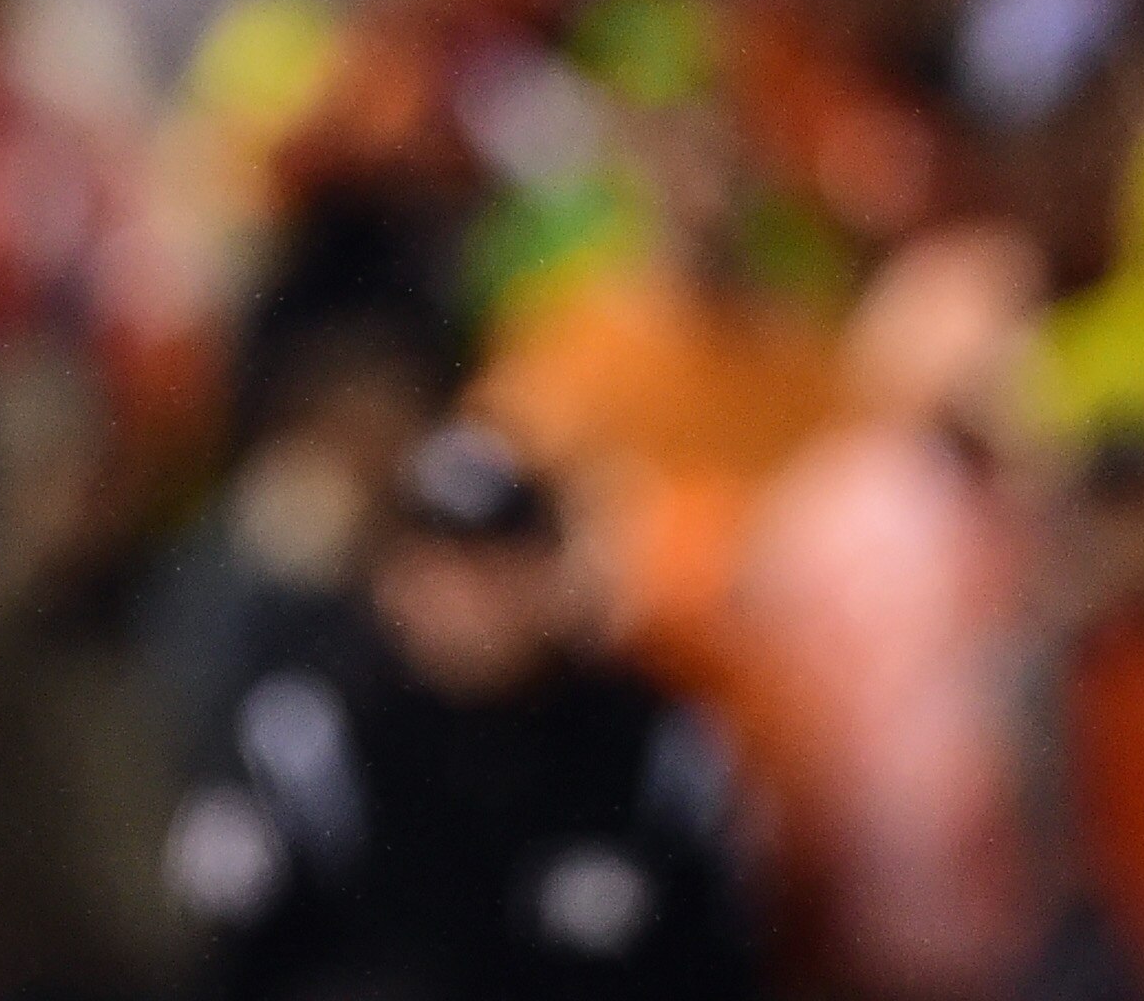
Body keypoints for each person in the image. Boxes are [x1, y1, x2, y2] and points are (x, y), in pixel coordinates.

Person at [165, 423, 753, 1001]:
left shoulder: (644, 737)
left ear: (552, 571)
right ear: (387, 580)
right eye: (438, 569)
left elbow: (722, 947)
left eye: (497, 567)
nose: (468, 601)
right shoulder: (309, 730)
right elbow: (238, 947)